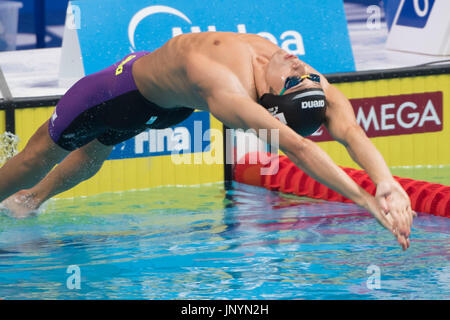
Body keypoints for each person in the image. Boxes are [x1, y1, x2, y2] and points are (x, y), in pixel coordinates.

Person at [0, 32, 414, 250]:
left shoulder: (238, 93)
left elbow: (322, 141)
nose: (301, 67)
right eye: (304, 77)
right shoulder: (262, 76)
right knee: (73, 154)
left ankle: (25, 197)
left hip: (144, 98)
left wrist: (375, 193)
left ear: (271, 100)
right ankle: (26, 198)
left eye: (295, 78)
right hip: (141, 97)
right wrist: (377, 190)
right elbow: (325, 136)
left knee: (68, 152)